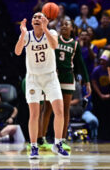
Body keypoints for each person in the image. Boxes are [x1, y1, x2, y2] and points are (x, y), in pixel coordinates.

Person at [14, 12, 69, 159]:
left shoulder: (51, 32)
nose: (37, 19)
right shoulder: (27, 35)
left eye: (40, 17)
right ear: (31, 22)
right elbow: (18, 51)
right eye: (34, 17)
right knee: (34, 114)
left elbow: (55, 45)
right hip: (33, 78)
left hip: (50, 77)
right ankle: (33, 146)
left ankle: (57, 144)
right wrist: (22, 34)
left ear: (45, 20)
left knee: (59, 110)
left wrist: (45, 29)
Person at [39, 20, 91, 151]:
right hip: (53, 76)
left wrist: (87, 82)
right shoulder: (55, 39)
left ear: (72, 29)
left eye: (67, 24)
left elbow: (81, 64)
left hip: (68, 77)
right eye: (62, 24)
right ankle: (41, 138)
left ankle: (61, 140)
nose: (63, 26)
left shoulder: (75, 44)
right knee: (47, 109)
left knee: (64, 110)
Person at [91, 50, 110, 140]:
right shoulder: (96, 70)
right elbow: (94, 83)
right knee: (101, 116)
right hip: (99, 98)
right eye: (101, 60)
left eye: (104, 61)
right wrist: (101, 94)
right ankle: (101, 135)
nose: (102, 62)